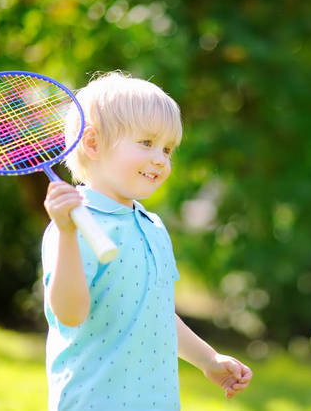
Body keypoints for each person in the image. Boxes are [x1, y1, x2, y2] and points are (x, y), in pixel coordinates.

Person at [41, 71, 252, 410]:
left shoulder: (151, 226)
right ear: (93, 143)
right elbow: (69, 314)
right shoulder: (74, 226)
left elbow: (157, 315)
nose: (160, 159)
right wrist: (67, 235)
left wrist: (209, 361)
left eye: (167, 149)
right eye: (146, 143)